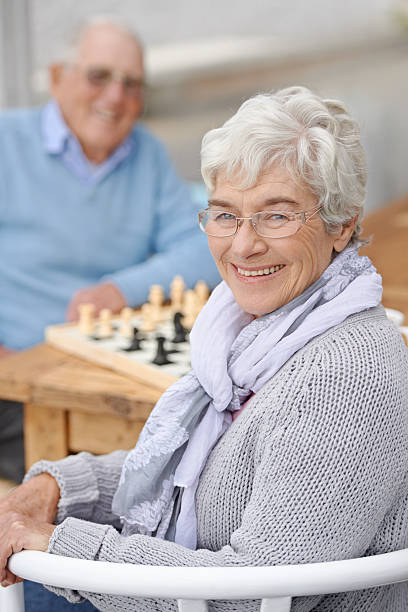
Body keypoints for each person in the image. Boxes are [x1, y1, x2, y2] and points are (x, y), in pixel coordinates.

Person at [1, 86, 407, 612]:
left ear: (342, 223)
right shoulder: (250, 331)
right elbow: (191, 468)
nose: (243, 245)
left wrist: (64, 546)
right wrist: (58, 486)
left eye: (277, 215)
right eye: (224, 214)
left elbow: (257, 595)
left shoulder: (346, 373)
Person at [0, 17, 219, 483]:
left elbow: (205, 250)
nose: (116, 97)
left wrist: (120, 289)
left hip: (106, 375)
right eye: (99, 76)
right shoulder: (6, 142)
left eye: (132, 84)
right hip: (17, 382)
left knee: (196, 451)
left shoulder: (148, 156)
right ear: (58, 78)